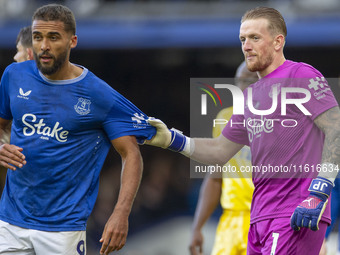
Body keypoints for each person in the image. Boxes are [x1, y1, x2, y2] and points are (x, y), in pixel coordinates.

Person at [145, 6, 340, 254]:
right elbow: (219, 151)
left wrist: (320, 190)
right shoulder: (250, 97)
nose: (246, 46)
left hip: (294, 213)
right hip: (258, 220)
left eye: (255, 38)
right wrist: (173, 140)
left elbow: (336, 129)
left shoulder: (300, 74)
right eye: (243, 39)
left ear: (278, 41)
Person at [0, 4, 155, 255]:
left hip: (63, 229)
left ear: (72, 41)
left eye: (53, 37)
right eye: (38, 37)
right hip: (10, 222)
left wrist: (120, 213)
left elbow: (131, 153)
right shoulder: (14, 75)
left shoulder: (98, 94)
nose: (44, 46)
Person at [189, 61, 257, 255]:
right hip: (230, 222)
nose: (243, 87)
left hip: (265, 219)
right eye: (239, 81)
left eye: (250, 81)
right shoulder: (225, 118)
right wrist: (197, 226)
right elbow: (215, 176)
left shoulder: (281, 122)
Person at [0, 26, 34, 195]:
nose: (15, 57)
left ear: (29, 54)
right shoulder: (11, 87)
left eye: (18, 50)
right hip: (13, 198)